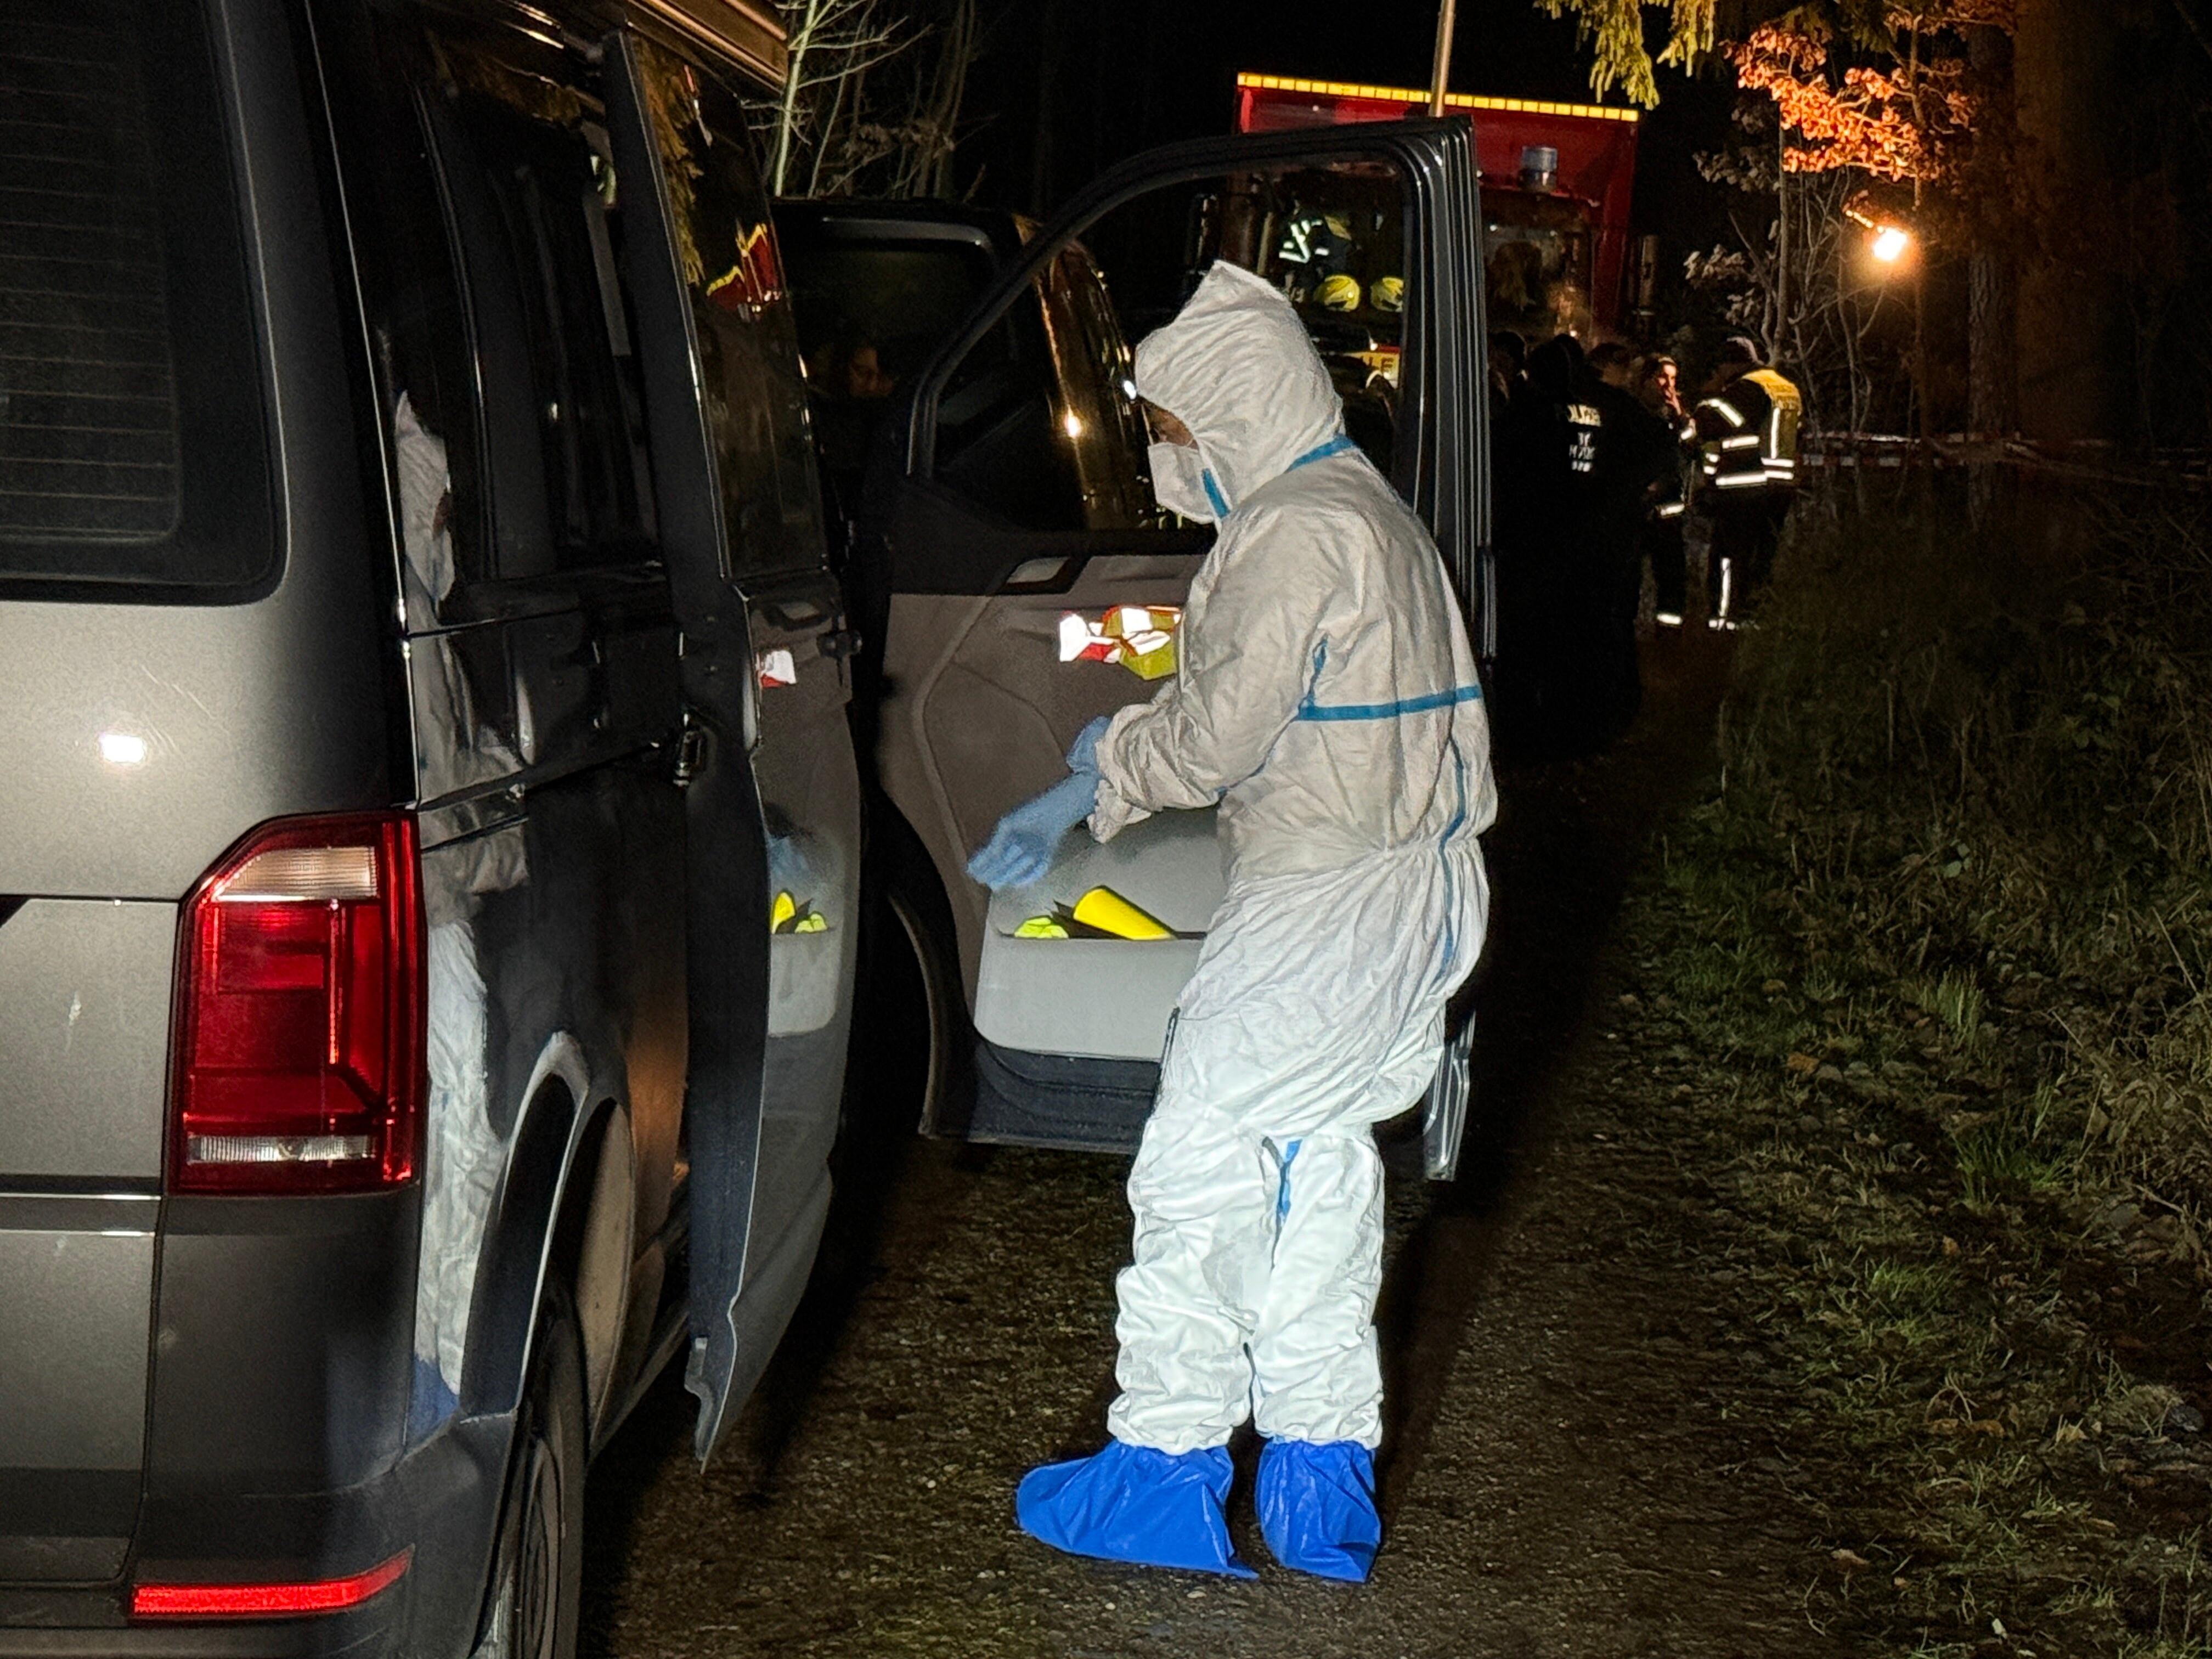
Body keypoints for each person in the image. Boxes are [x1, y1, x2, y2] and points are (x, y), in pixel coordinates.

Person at [966, 261, 1494, 1582]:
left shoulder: (1294, 533)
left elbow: (1214, 735)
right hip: (1403, 896)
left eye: (1172, 432)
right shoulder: (1371, 515)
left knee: (1200, 1160)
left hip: (1319, 907)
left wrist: (1098, 773)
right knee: (1318, 1170)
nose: (1163, 460)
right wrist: (1110, 761)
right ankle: (1322, 1483)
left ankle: (1166, 1466)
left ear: (1236, 414)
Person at [1691, 336, 1801, 628]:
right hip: (1781, 488)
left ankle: (1725, 622)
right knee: (1762, 558)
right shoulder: (1785, 387)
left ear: (1729, 366)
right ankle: (1755, 620)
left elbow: (1711, 426)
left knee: (1729, 556)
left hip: (1746, 487)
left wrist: (1707, 400)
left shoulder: (1747, 389)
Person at [1636, 354, 1694, 627]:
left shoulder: (1677, 417)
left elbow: (1692, 448)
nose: (1668, 385)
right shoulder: (1633, 412)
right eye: (1662, 377)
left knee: (1672, 577)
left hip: (1669, 514)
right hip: (1637, 509)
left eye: (1673, 379)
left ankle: (1668, 635)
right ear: (1646, 379)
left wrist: (1680, 415)